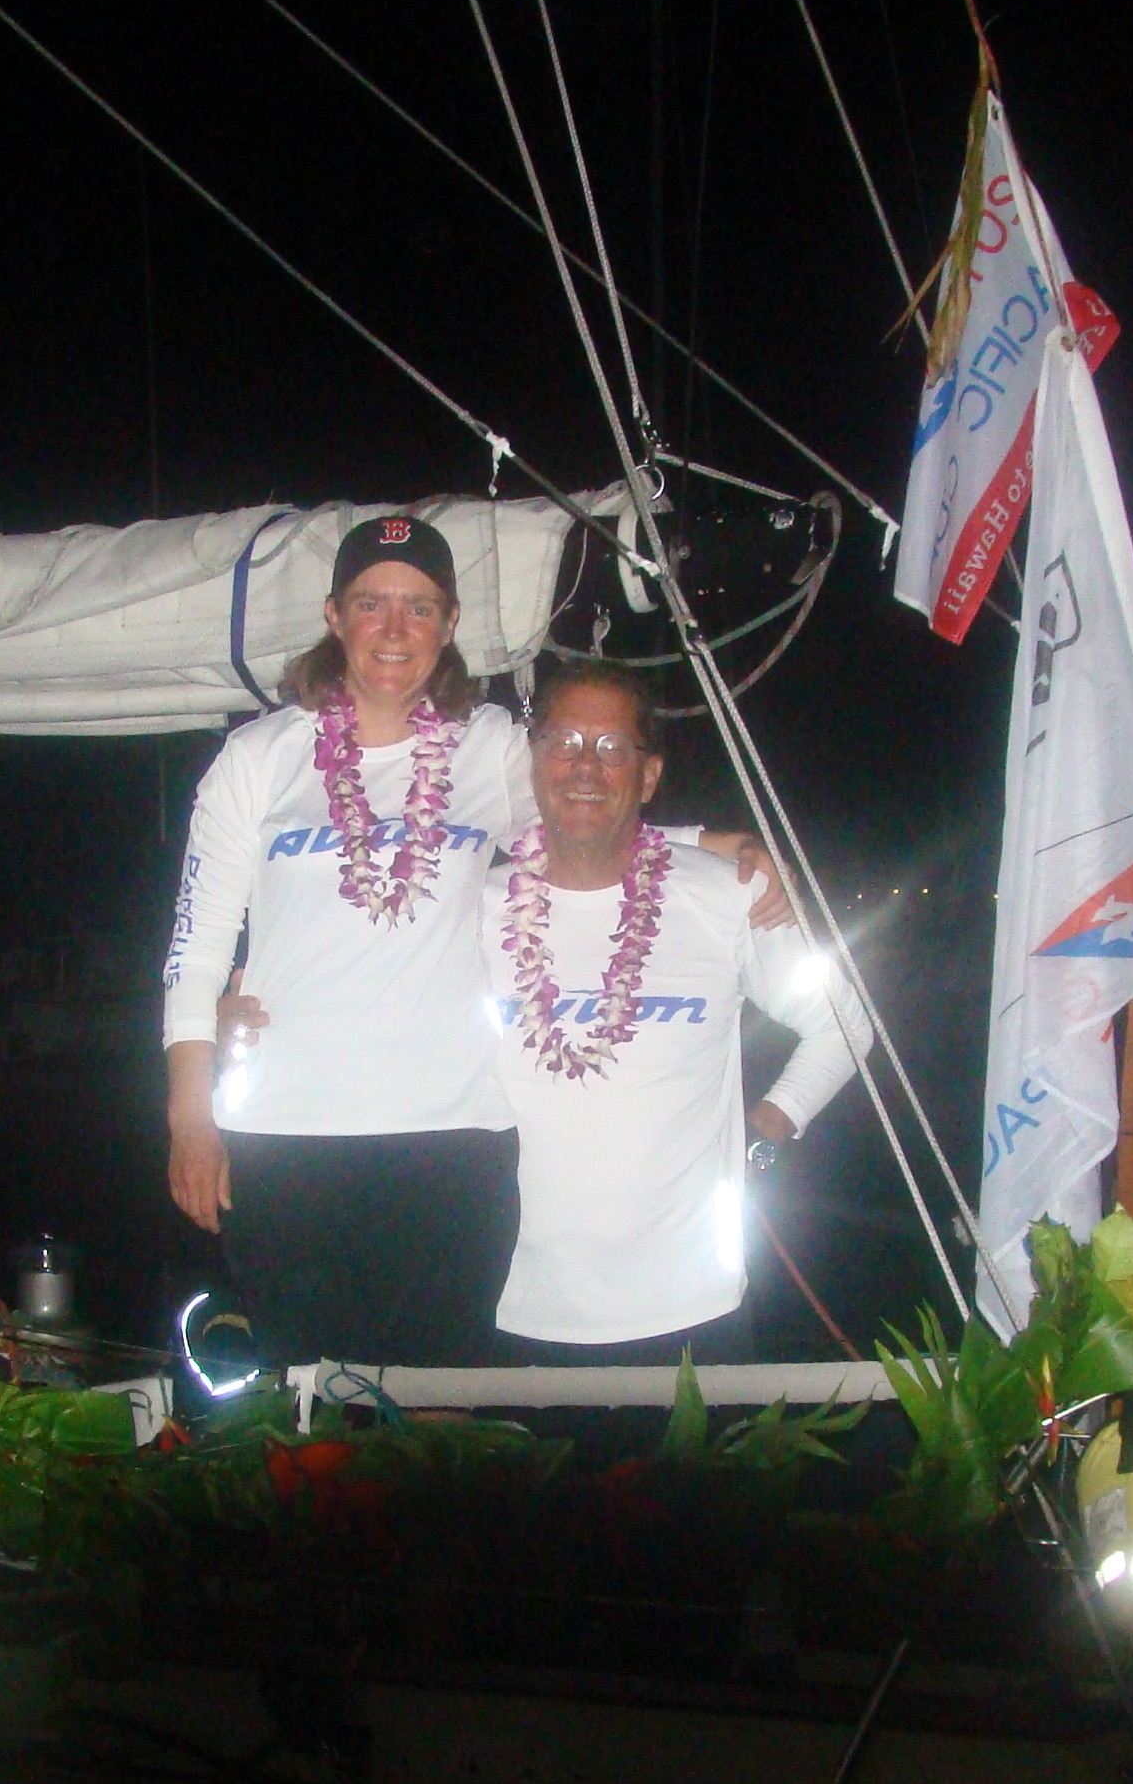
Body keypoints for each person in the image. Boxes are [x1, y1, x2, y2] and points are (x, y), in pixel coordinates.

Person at [161, 516, 783, 1367]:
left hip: (454, 1142)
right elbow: (195, 948)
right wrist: (190, 1118)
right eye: (371, 604)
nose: (394, 629)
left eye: (419, 608)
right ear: (334, 616)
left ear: (449, 624)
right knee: (306, 1408)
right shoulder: (258, 757)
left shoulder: (488, 748)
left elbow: (583, 819)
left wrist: (709, 844)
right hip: (285, 1136)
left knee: (444, 1415)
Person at [478, 661, 859, 1363]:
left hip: (695, 1308)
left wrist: (768, 1128)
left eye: (612, 748)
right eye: (564, 742)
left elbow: (844, 1023)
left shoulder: (728, 894)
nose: (584, 766)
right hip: (513, 1308)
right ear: (534, 762)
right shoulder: (472, 908)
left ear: (648, 776)